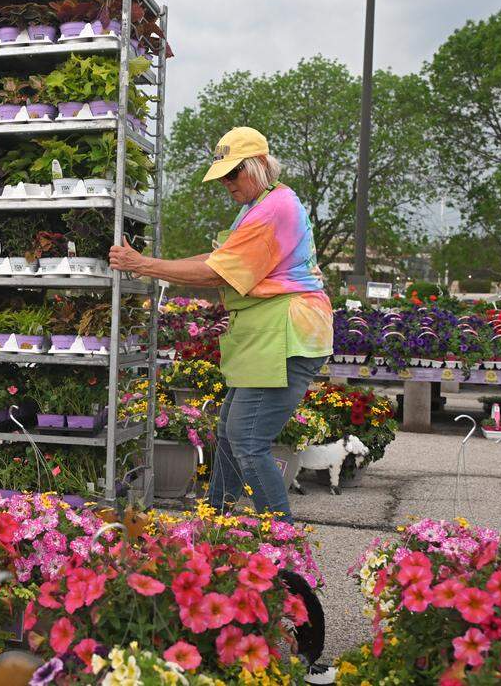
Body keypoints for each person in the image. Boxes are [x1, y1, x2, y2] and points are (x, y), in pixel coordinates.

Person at [109, 126, 333, 523]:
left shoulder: (272, 209)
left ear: (260, 165)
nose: (228, 184)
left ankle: (280, 542)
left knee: (248, 441)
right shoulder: (258, 205)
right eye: (224, 176)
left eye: (234, 174)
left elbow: (217, 273)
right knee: (231, 434)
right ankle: (214, 523)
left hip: (286, 335)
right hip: (269, 335)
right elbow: (216, 258)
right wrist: (152, 261)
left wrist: (144, 265)